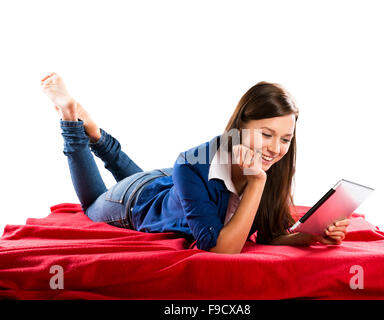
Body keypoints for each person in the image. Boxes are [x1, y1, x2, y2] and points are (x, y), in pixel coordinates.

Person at [40, 73, 349, 254]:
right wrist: (256, 182)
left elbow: (269, 234)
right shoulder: (193, 163)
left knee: (152, 185)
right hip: (133, 202)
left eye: (285, 139)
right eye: (267, 134)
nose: (276, 149)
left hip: (168, 184)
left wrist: (313, 235)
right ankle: (72, 121)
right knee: (92, 205)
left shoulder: (274, 165)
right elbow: (221, 250)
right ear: (240, 127)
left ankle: (97, 134)